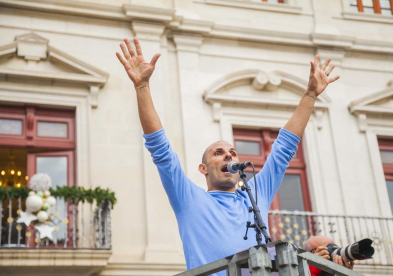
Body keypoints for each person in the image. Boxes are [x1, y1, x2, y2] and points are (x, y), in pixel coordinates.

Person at [116, 38, 339, 275]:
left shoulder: (254, 197)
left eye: (232, 152)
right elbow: (160, 148)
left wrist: (311, 94)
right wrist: (142, 87)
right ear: (203, 168)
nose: (228, 156)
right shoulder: (190, 199)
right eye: (218, 152)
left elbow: (284, 148)